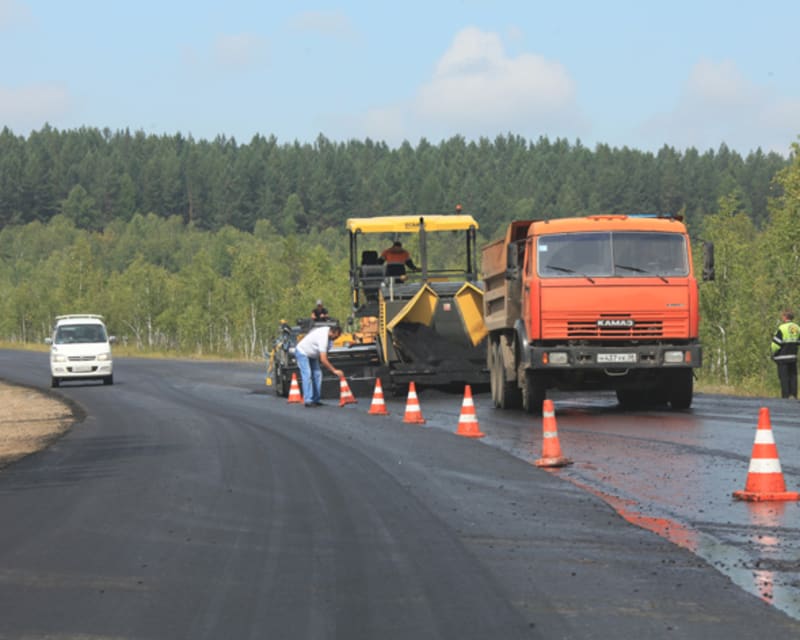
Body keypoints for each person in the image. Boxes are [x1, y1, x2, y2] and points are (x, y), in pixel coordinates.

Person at [294, 323, 344, 407]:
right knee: (307, 374)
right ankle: (308, 400)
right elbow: (323, 359)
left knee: (317, 374)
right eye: (336, 336)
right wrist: (334, 370)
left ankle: (315, 399)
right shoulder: (323, 338)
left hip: (313, 354)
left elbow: (325, 354)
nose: (336, 338)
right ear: (332, 332)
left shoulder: (328, 334)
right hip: (302, 352)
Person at [771, 309, 800, 399]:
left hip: (782, 357)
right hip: (793, 356)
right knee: (793, 377)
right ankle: (794, 396)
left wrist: (773, 352)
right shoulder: (797, 328)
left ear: (785, 317)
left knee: (784, 378)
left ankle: (785, 397)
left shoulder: (782, 328)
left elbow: (776, 344)